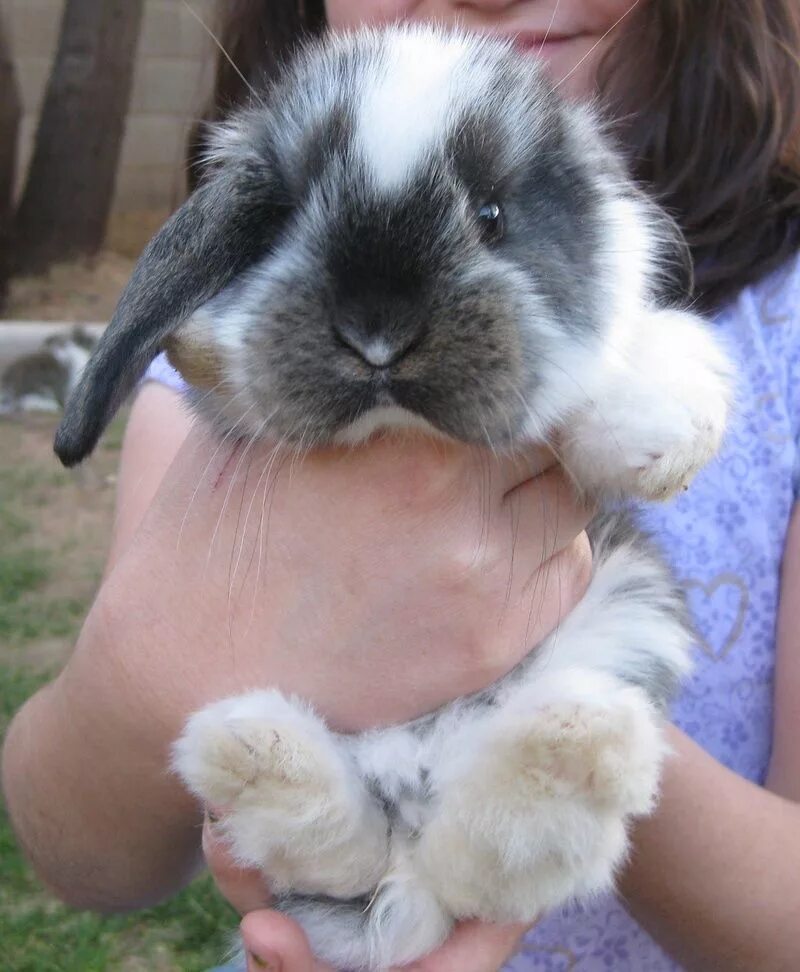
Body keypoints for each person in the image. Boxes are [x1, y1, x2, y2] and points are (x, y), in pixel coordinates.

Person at [3, 1, 800, 970]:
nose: (379, 337)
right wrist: (154, 659)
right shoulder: (217, 375)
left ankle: (492, 837)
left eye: (487, 220)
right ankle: (346, 866)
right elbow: (80, 856)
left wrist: (534, 694)